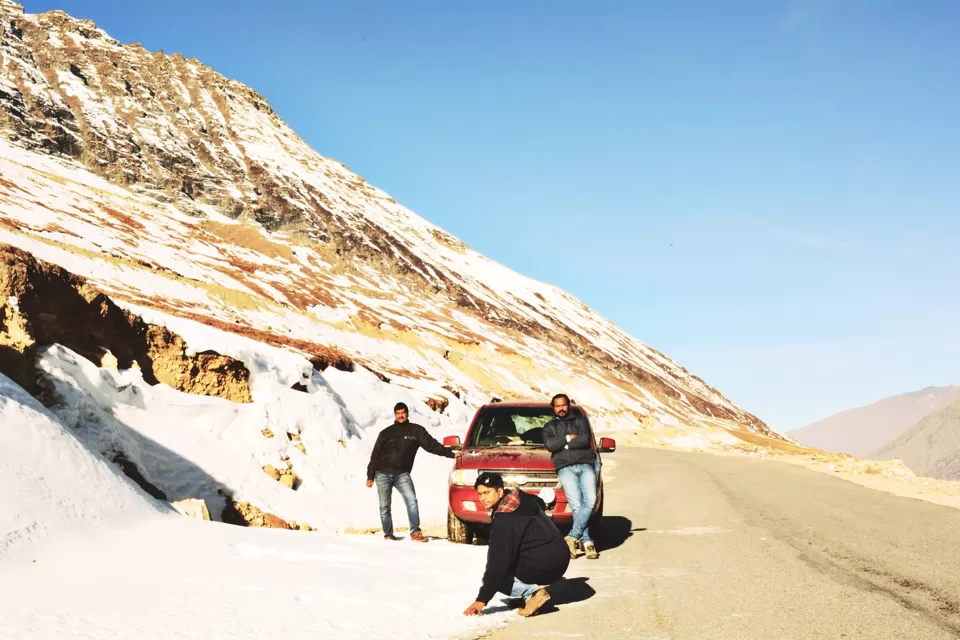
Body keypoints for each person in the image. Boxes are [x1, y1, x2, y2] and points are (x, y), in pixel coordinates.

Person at [462, 472, 570, 618]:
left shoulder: (504, 519)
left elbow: (497, 564)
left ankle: (534, 593)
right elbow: (539, 501)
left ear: (499, 491)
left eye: (487, 493)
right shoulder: (521, 498)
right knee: (512, 559)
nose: (483, 498)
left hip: (545, 564)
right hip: (561, 555)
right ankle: (528, 598)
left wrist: (482, 599)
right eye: (480, 494)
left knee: (498, 578)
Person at [366, 402, 457, 542]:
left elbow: (432, 445)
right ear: (394, 415)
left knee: (412, 501)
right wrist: (370, 475)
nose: (401, 415)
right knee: (385, 506)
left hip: (402, 474)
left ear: (407, 413)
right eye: (398, 413)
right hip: (382, 473)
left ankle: (415, 532)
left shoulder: (416, 431)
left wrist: (451, 454)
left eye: (403, 412)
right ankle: (388, 534)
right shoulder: (386, 433)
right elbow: (375, 455)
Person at [542, 393, 599, 559]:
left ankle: (572, 537)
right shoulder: (549, 427)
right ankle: (588, 543)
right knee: (576, 505)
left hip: (585, 464)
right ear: (554, 408)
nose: (561, 408)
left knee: (590, 501)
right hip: (565, 468)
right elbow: (551, 445)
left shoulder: (580, 421)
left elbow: (584, 440)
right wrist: (568, 438)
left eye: (563, 405)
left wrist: (563, 445)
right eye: (557, 405)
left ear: (568, 405)